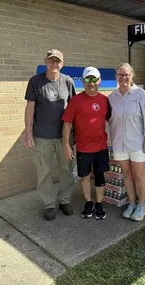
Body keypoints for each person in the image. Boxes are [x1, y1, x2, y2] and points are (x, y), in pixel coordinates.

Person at [24, 49, 76, 221]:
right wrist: (28, 133)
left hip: (64, 137)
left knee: (67, 170)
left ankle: (64, 200)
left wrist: (75, 135)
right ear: (45, 61)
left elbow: (74, 110)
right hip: (42, 137)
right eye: (51, 61)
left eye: (57, 61)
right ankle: (48, 204)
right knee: (44, 172)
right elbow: (30, 108)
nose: (54, 64)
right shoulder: (35, 81)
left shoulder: (68, 81)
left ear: (62, 63)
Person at [108, 63, 145, 221]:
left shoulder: (140, 94)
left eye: (126, 75)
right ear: (116, 77)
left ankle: (142, 206)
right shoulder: (111, 97)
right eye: (120, 75)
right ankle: (132, 203)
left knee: (139, 174)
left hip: (137, 143)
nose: (123, 78)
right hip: (119, 143)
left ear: (132, 76)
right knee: (127, 174)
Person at [62, 67, 110, 220]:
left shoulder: (104, 100)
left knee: (100, 175)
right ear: (82, 81)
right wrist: (66, 145)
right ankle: (89, 202)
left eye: (94, 79)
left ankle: (99, 203)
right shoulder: (76, 100)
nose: (91, 83)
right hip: (83, 147)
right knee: (85, 176)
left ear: (99, 80)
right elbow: (67, 124)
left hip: (101, 146)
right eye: (88, 79)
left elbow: (112, 119)